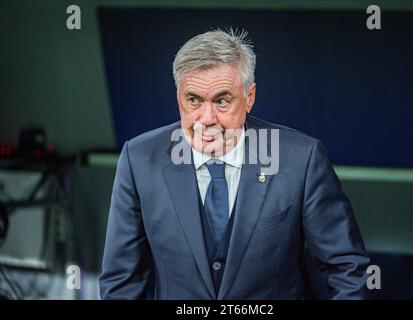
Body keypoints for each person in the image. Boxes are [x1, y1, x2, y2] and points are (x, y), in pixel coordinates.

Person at [99, 29, 370, 300]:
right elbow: (121, 281)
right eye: (193, 100)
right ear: (178, 96)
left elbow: (349, 272)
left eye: (222, 101)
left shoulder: (301, 159)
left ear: (249, 97)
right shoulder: (139, 159)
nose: (206, 118)